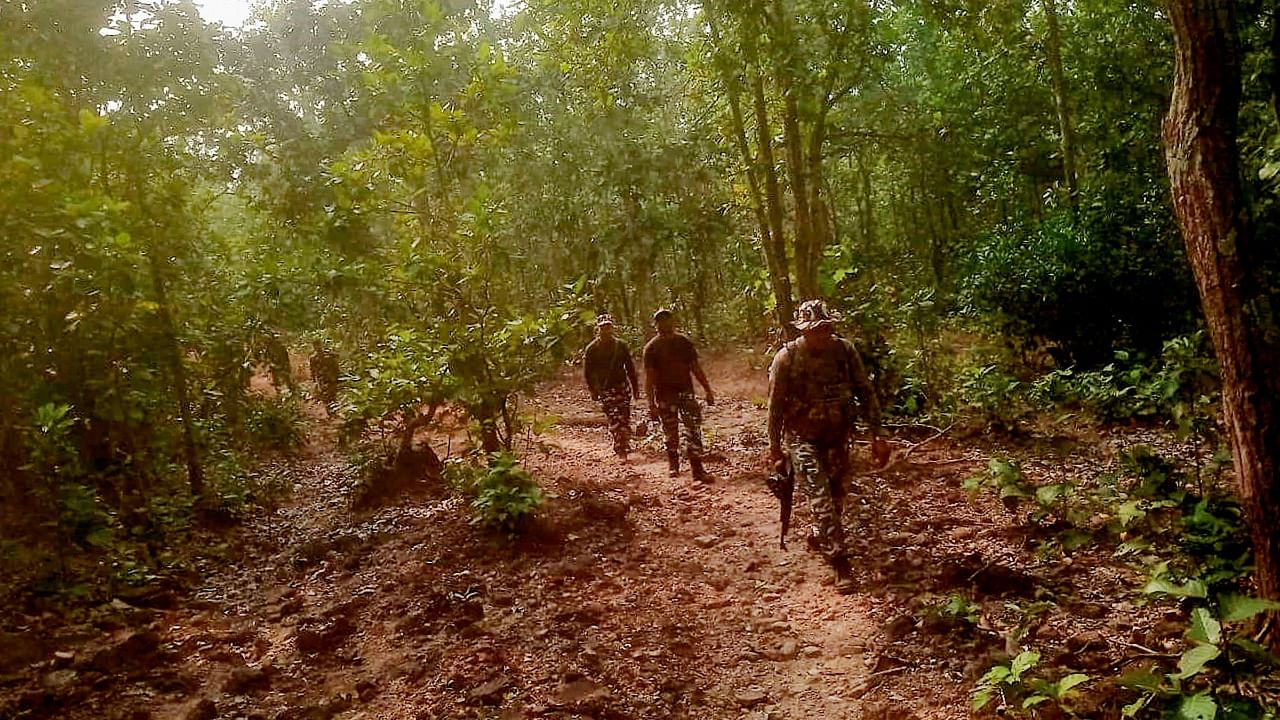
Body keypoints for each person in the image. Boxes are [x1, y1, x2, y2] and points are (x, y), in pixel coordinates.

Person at [767, 299, 887, 594]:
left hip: (837, 435)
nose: (821, 334)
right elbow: (775, 407)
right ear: (803, 331)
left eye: (825, 328)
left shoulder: (844, 351)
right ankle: (840, 561)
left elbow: (864, 391)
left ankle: (821, 533)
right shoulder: (787, 358)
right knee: (819, 495)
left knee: (835, 495)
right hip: (801, 438)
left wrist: (877, 433)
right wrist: (774, 448)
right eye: (814, 330)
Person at [643, 308, 715, 482]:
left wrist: (707, 390)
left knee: (693, 429)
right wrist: (651, 404)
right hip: (665, 395)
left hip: (685, 392)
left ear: (672, 321)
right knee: (670, 431)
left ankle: (697, 469)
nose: (665, 324)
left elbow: (695, 367)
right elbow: (650, 378)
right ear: (656, 324)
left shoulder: (683, 342)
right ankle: (673, 465)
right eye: (661, 321)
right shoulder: (652, 348)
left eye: (667, 320)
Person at [583, 314, 640, 458]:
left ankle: (624, 442)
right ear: (598, 329)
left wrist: (635, 389)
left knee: (624, 417)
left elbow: (630, 368)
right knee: (614, 418)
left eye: (608, 327)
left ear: (612, 328)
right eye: (603, 328)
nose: (606, 330)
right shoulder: (592, 349)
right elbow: (588, 372)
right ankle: (620, 448)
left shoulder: (621, 346)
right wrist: (593, 390)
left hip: (622, 386)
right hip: (605, 389)